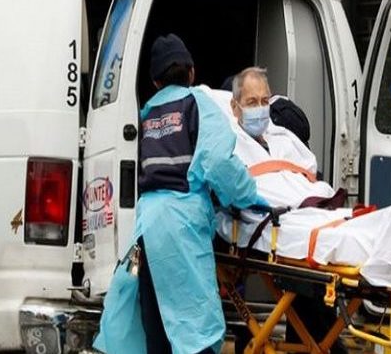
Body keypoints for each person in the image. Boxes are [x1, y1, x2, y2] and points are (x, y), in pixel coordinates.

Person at [93, 34, 267, 354]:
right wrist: (247, 195)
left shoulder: (145, 115)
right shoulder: (196, 103)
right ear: (191, 72)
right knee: (195, 330)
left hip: (147, 229)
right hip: (182, 228)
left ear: (156, 81)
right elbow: (218, 162)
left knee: (157, 328)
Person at [226, 67, 347, 354]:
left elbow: (309, 173)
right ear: (234, 106)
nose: (260, 109)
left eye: (264, 101)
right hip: (285, 222)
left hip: (312, 212)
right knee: (311, 308)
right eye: (252, 102)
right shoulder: (228, 143)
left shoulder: (282, 138)